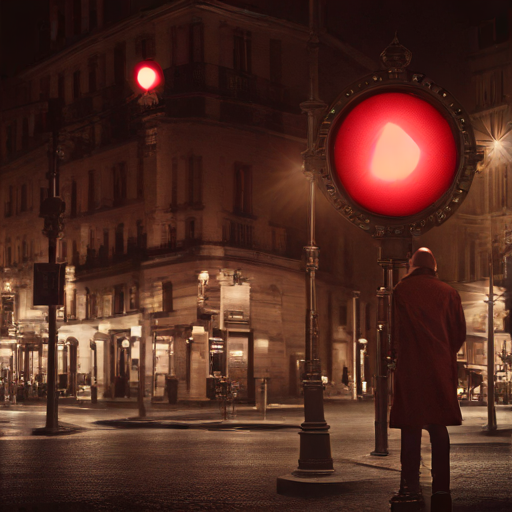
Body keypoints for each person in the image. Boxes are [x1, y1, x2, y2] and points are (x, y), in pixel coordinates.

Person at [389, 247, 466, 512]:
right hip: (438, 368)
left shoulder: (400, 290)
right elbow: (459, 335)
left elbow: (393, 331)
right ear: (434, 267)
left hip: (410, 368)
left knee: (410, 428)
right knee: (438, 427)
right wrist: (443, 353)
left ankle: (409, 487)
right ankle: (441, 490)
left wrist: (398, 355)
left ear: (412, 266)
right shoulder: (449, 293)